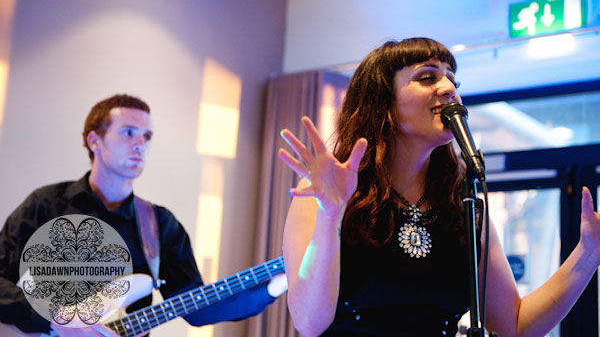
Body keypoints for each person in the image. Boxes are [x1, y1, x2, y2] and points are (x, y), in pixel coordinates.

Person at [278, 37, 600, 337]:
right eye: (428, 77)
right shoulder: (325, 194)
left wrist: (589, 253)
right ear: (384, 102)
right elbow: (309, 323)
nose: (449, 89)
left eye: (452, 80)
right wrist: (331, 213)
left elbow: (514, 324)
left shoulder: (465, 205)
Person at [0, 94, 286, 336]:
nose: (141, 144)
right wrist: (55, 319)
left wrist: (276, 285)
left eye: (147, 136)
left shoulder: (159, 225)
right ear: (94, 140)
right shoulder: (46, 204)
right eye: (128, 133)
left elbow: (197, 309)